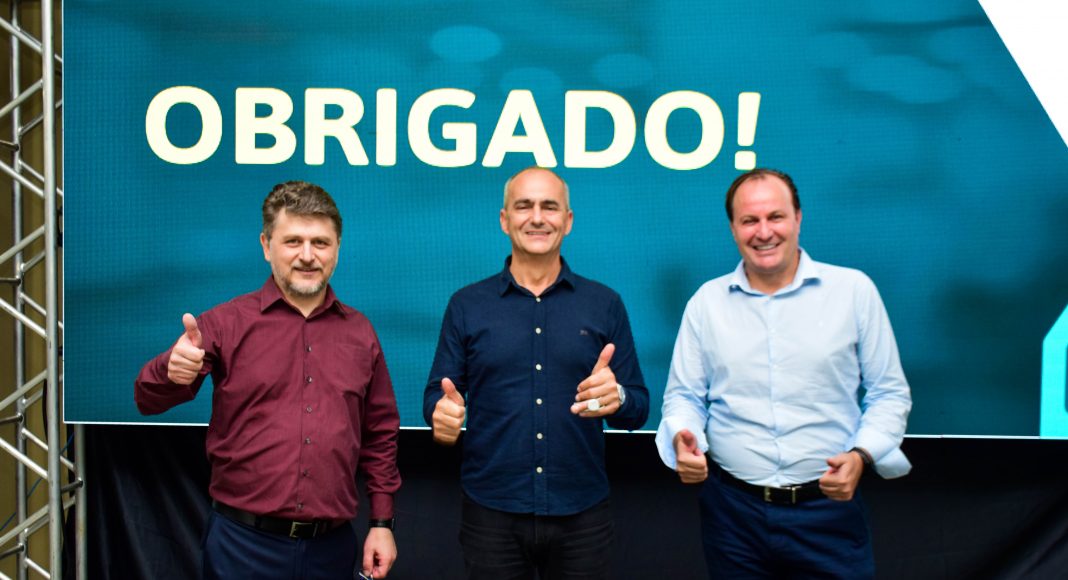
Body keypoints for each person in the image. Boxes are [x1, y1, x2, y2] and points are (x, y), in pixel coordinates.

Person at [135, 181, 400, 579]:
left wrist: (381, 523)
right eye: (293, 241)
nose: (307, 256)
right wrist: (169, 371)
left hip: (331, 550)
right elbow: (146, 399)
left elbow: (379, 433)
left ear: (337, 248)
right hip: (242, 547)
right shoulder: (225, 323)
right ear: (266, 245)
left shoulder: (361, 333)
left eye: (320, 243)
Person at [656, 168, 912, 579]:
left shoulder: (853, 291)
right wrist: (682, 437)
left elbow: (889, 393)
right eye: (749, 220)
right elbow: (684, 396)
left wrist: (861, 456)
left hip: (828, 513)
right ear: (733, 228)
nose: (764, 232)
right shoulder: (706, 303)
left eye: (775, 216)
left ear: (798, 218)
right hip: (732, 515)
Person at [423, 167, 649, 579]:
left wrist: (619, 398)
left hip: (583, 514)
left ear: (568, 220)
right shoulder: (466, 305)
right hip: (491, 513)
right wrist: (441, 415)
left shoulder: (605, 304)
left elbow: (638, 408)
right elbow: (436, 396)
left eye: (550, 206)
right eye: (524, 206)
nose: (538, 217)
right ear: (504, 219)